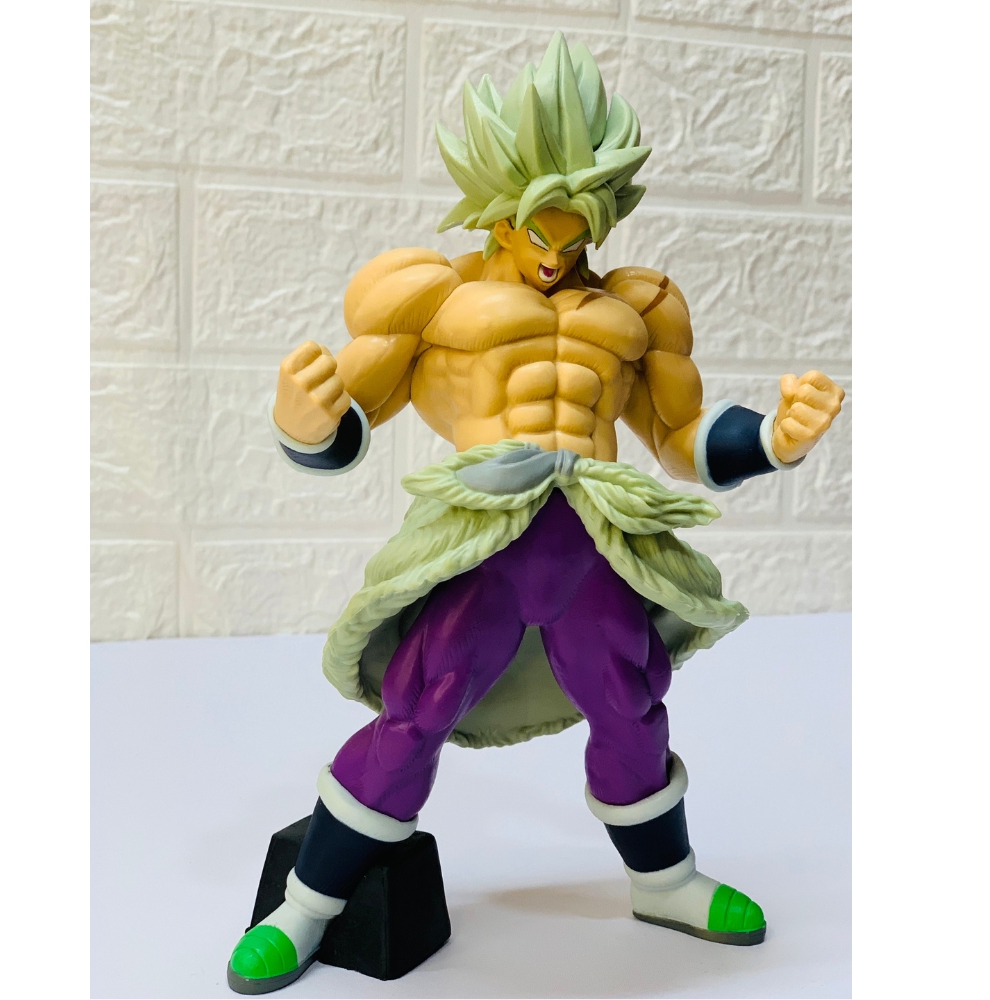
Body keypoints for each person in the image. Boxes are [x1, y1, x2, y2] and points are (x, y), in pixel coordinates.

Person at [227, 32, 844, 995]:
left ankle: (666, 882)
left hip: (595, 543)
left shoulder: (636, 310)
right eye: (536, 234)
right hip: (487, 542)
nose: (556, 258)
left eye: (575, 237)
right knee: (419, 711)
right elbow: (352, 415)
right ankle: (307, 904)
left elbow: (681, 434)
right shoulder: (433, 296)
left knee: (632, 705)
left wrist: (773, 437)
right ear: (498, 210)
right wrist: (303, 424)